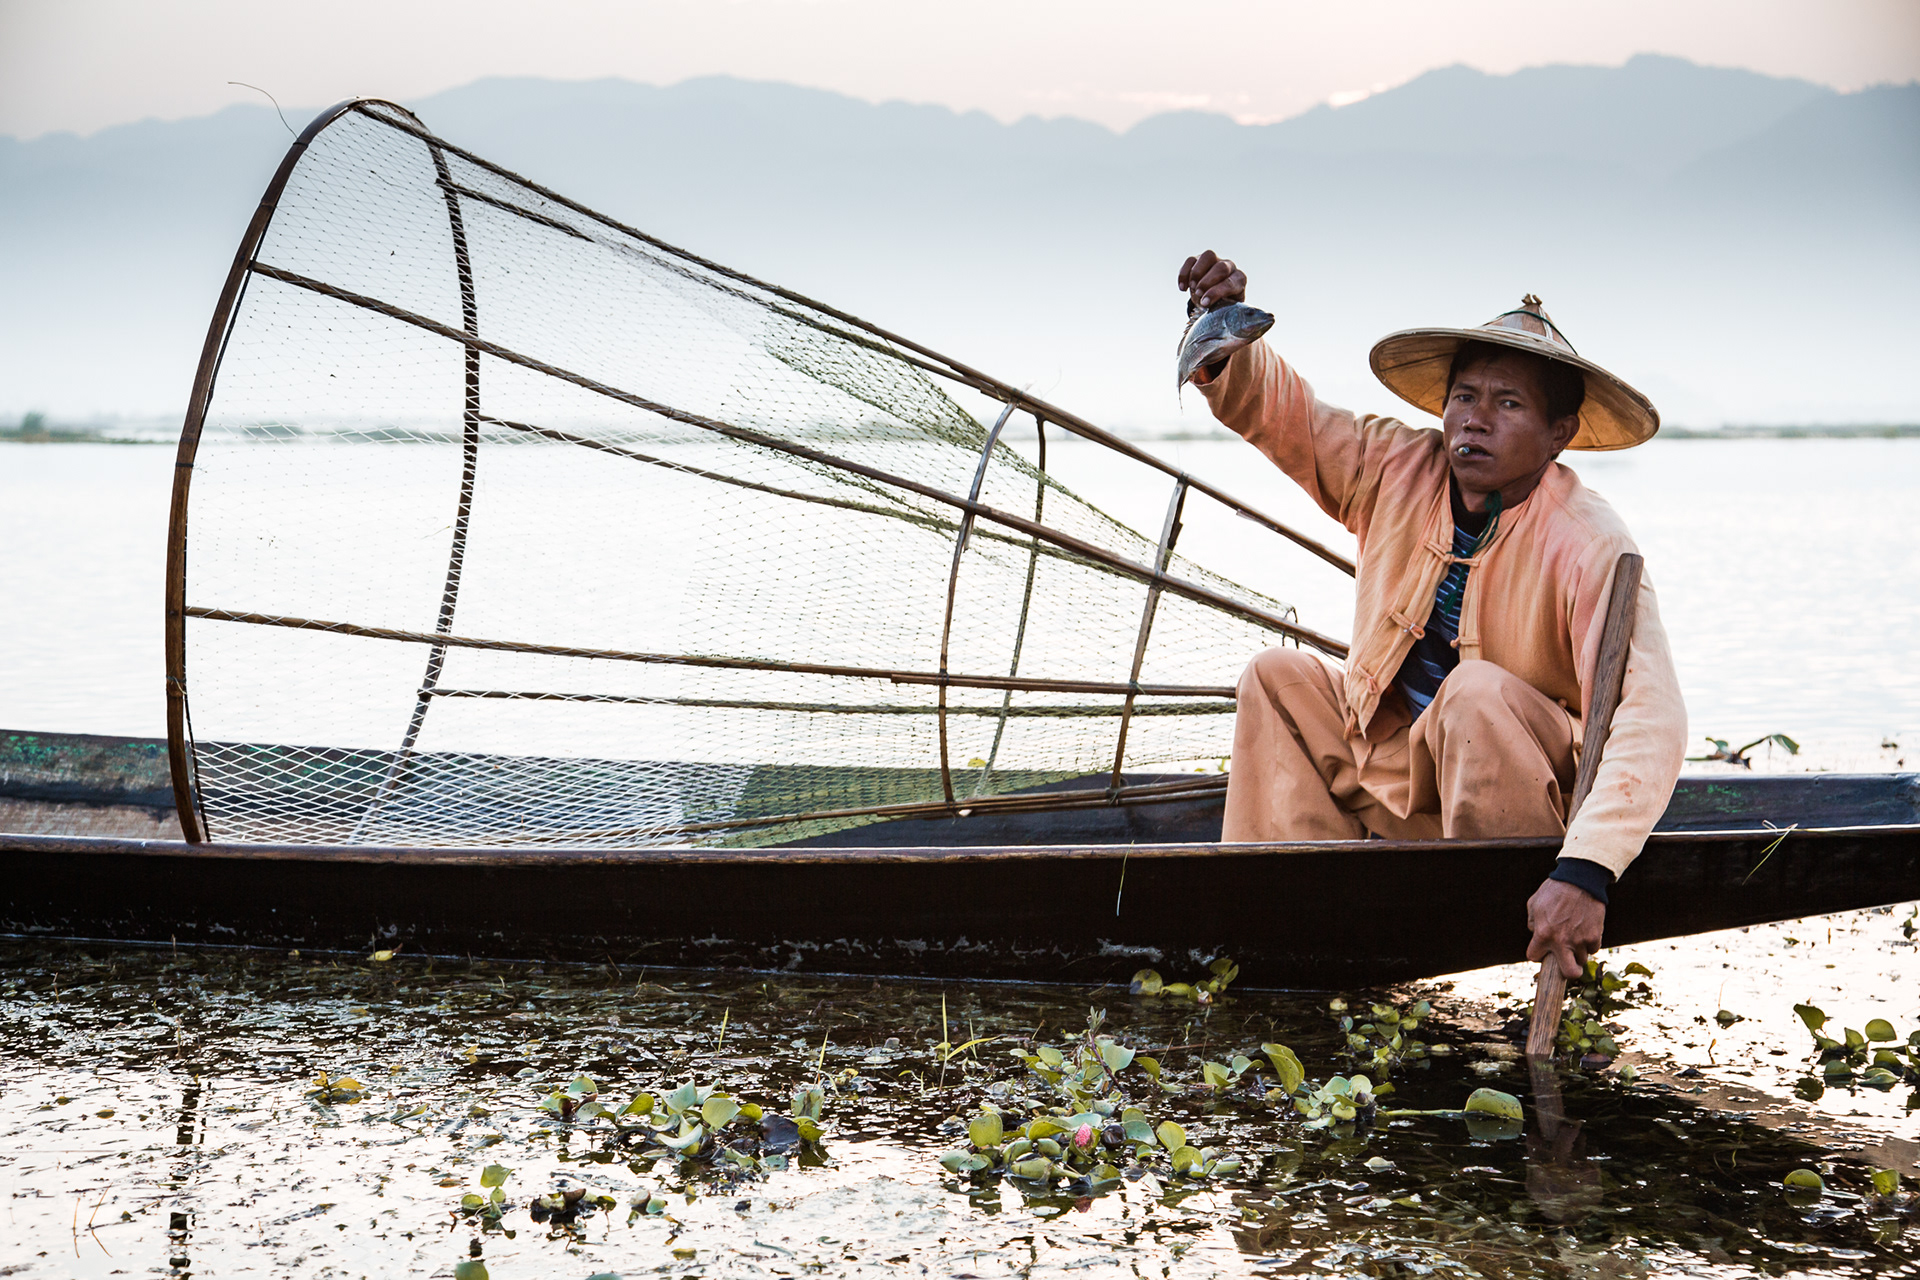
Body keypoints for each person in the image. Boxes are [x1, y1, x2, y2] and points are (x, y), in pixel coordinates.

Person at [1178, 251, 1687, 980]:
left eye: (1508, 405)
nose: (1474, 422)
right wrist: (1228, 342)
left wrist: (1586, 871)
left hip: (1515, 808)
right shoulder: (1393, 466)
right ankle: (1288, 926)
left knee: (1474, 691)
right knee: (1276, 676)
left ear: (1559, 434)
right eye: (1464, 398)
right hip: (1393, 773)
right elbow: (1291, 420)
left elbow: (1652, 717)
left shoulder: (1590, 542)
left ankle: (1487, 913)